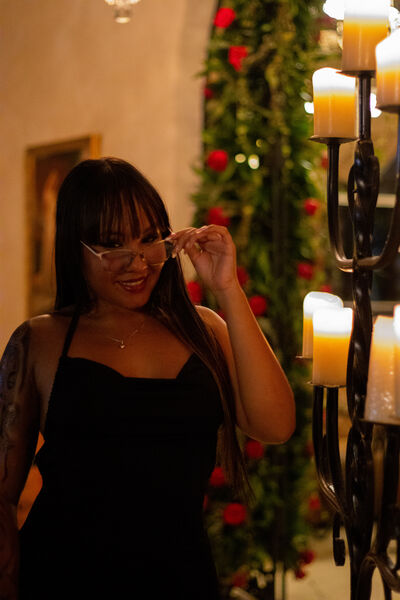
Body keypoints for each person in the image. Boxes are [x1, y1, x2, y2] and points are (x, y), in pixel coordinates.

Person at [0, 157, 295, 600]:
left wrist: (227, 289)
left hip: (180, 577)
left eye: (149, 239)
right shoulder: (39, 340)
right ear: (75, 247)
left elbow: (275, 425)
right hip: (63, 576)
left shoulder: (204, 329)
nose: (137, 262)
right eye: (111, 245)